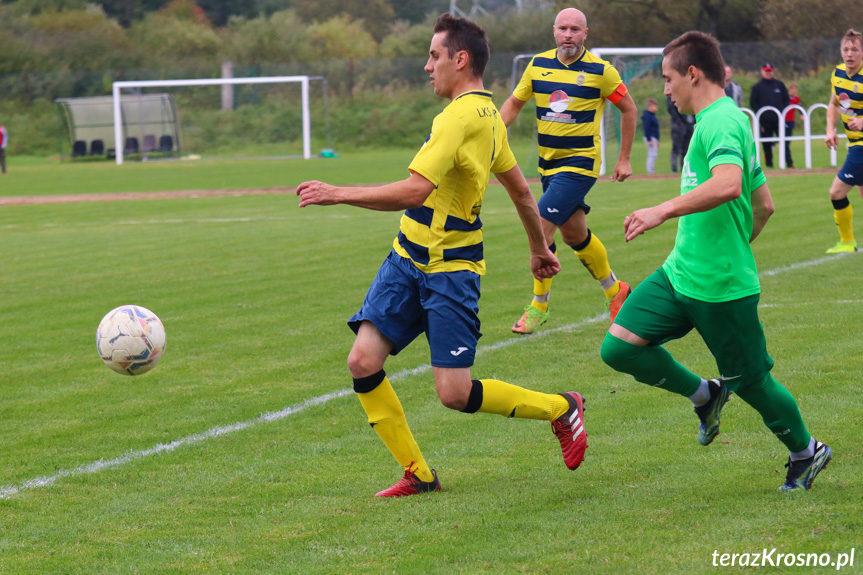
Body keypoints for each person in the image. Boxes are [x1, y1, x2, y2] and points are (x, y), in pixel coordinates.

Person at [296, 14, 589, 498]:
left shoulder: (457, 118)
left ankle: (561, 408)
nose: (427, 66)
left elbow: (416, 190)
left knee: (454, 393)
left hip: (451, 270)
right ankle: (418, 473)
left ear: (460, 59)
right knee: (363, 361)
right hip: (407, 257)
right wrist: (539, 247)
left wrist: (337, 192)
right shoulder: (490, 117)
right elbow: (519, 190)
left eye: (434, 56)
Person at [600, 31, 832, 492]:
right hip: (680, 272)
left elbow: (729, 184)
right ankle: (705, 394)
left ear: (692, 73)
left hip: (720, 287)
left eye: (668, 79)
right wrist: (728, 241)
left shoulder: (720, 123)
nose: (665, 89)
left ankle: (807, 451)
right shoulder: (720, 120)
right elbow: (763, 203)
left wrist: (662, 210)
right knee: (619, 347)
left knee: (753, 384)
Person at [501, 7, 637, 335]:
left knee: (541, 228)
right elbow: (515, 103)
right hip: (547, 165)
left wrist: (624, 159)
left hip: (580, 165)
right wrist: (489, 133)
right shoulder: (537, 65)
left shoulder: (601, 71)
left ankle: (539, 307)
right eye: (563, 28)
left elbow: (629, 109)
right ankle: (615, 291)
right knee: (574, 234)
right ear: (554, 32)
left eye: (575, 29)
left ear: (585, 35)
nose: (568, 35)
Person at [824, 28, 863, 253]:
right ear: (840, 51)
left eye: (855, 49)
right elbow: (834, 104)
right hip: (854, 145)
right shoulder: (837, 74)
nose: (850, 54)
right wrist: (830, 129)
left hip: (861, 146)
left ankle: (847, 242)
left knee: (836, 192)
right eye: (846, 49)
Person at [750, 62, 789, 168]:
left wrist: (783, 111)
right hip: (765, 121)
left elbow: (786, 100)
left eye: (770, 71)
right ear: (762, 71)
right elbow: (753, 102)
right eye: (766, 71)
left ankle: (789, 163)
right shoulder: (757, 87)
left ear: (773, 72)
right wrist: (761, 115)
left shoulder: (779, 85)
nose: (768, 73)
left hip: (779, 120)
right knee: (766, 144)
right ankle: (769, 164)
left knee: (785, 141)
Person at [667, 94, 695, 172]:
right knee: (676, 148)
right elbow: (671, 109)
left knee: (686, 148)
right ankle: (674, 168)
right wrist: (679, 121)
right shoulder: (672, 96)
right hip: (679, 125)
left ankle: (684, 167)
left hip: (690, 124)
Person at [642, 98, 660, 175]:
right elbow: (647, 128)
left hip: (654, 137)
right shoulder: (647, 116)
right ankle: (650, 171)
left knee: (654, 154)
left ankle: (651, 170)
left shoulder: (652, 115)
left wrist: (658, 140)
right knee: (652, 154)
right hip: (650, 137)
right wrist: (649, 139)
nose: (656, 108)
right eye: (655, 106)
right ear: (650, 106)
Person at [785, 82, 801, 168]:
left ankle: (788, 162)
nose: (796, 91)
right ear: (790, 89)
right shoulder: (785, 97)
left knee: (787, 141)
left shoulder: (796, 98)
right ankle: (789, 162)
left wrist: (802, 115)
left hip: (791, 121)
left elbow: (799, 107)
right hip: (784, 121)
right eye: (795, 89)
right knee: (785, 142)